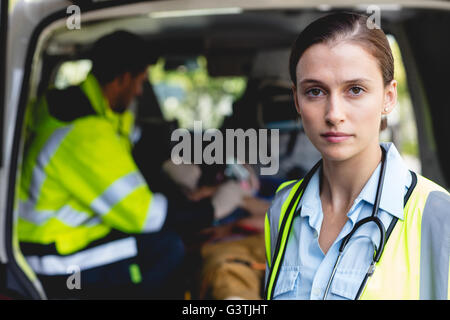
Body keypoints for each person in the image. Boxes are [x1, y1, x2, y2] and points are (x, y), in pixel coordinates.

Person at [17, 30, 246, 299]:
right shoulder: (85, 134)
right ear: (122, 79)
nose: (139, 91)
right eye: (139, 81)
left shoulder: (79, 105)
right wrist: (215, 207)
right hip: (51, 255)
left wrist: (168, 165)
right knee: (166, 248)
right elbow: (147, 216)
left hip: (58, 236)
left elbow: (134, 144)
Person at [265, 12, 450, 300]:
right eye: (315, 91)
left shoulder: (439, 215)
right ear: (297, 100)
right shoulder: (283, 209)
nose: (334, 114)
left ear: (388, 97)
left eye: (355, 90)